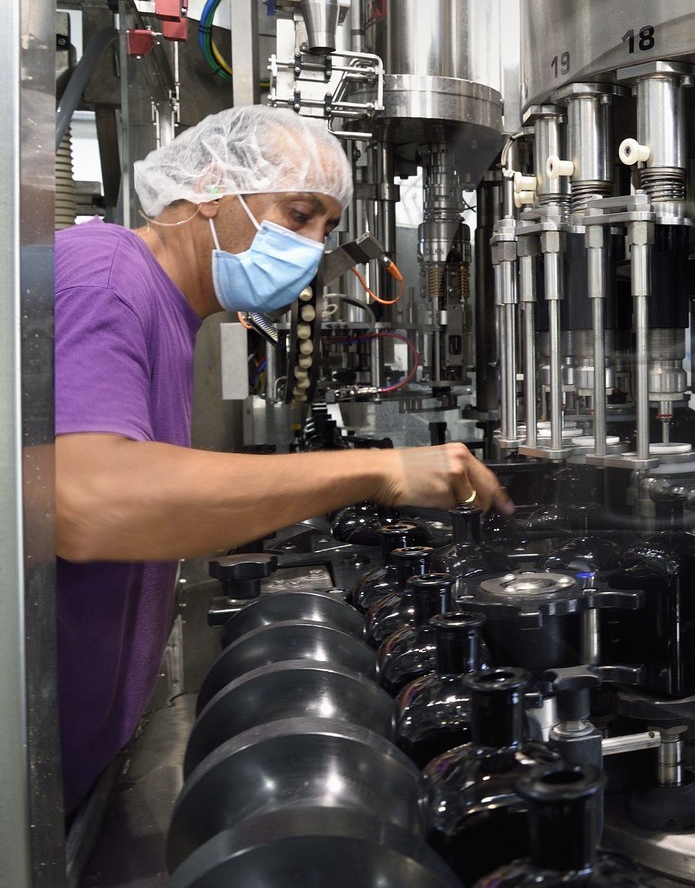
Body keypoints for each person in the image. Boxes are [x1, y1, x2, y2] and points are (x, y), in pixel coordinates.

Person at [53, 106, 513, 816]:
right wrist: (380, 472)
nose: (310, 249)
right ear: (209, 185)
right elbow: (85, 500)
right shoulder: (106, 274)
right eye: (298, 215)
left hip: (76, 770)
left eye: (325, 229)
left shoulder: (171, 314)